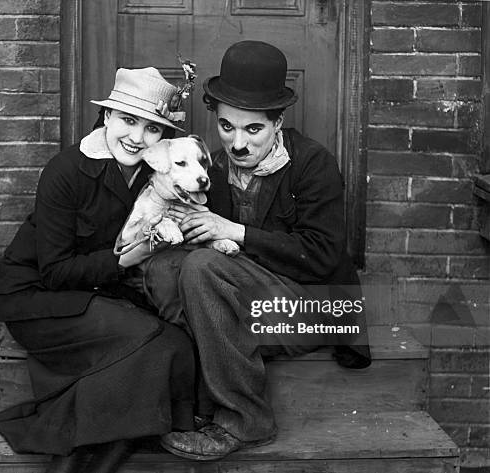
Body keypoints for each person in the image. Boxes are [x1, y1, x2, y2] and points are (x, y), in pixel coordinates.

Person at [145, 40, 372, 461]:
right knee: (166, 269)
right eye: (227, 127)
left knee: (203, 270)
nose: (238, 144)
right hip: (248, 304)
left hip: (314, 308)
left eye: (254, 130)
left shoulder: (312, 164)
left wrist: (233, 230)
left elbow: (322, 257)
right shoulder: (210, 167)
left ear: (278, 121)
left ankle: (245, 420)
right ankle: (206, 384)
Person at [0, 67, 196, 473]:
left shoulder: (159, 173)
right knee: (152, 344)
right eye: (128, 120)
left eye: (153, 129)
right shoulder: (66, 170)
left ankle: (84, 464)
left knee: (174, 347)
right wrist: (125, 262)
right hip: (39, 297)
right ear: (106, 117)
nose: (137, 138)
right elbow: (54, 271)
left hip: (102, 295)